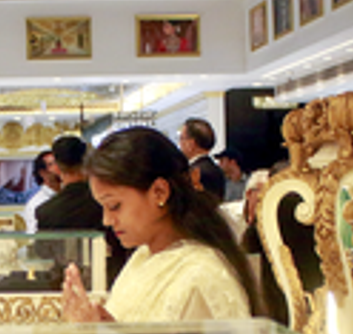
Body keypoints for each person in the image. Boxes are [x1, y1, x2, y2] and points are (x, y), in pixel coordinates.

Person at [60, 127, 258, 323]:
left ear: (159, 192)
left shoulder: (202, 275)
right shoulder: (144, 256)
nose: (107, 220)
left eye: (114, 206)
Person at [38, 135, 129, 284]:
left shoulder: (46, 211)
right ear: (86, 162)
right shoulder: (106, 201)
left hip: (66, 283)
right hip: (112, 280)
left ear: (57, 168)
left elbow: (43, 255)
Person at [179, 118, 226, 203]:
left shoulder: (195, 172)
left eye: (181, 138)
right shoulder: (215, 168)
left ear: (191, 144)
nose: (179, 144)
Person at [22, 150, 61, 234]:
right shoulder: (35, 204)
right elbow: (33, 236)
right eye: (52, 164)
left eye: (59, 163)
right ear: (42, 173)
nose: (59, 168)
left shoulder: (70, 195)